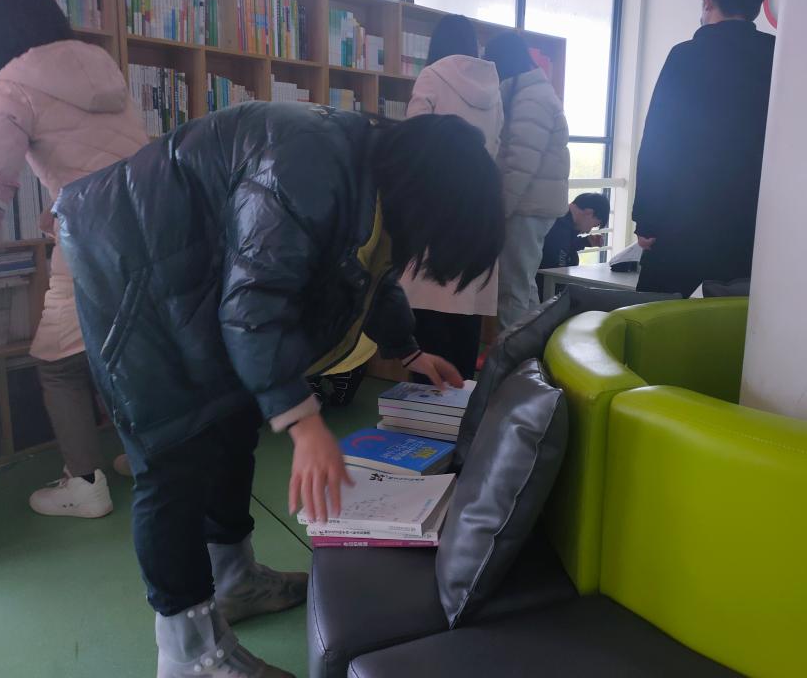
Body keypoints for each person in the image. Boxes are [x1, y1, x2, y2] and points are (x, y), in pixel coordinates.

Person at [54, 103, 504, 678]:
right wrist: (304, 423)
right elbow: (254, 307)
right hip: (128, 262)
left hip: (189, 266)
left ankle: (233, 580)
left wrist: (408, 350)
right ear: (429, 198)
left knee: (233, 423)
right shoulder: (306, 164)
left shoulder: (376, 177)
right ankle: (188, 652)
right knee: (170, 457)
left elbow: (370, 274)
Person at [0, 0, 148, 518]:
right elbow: (119, 162)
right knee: (131, 352)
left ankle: (85, 484)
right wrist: (60, 206)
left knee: (57, 362)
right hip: (149, 233)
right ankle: (150, 458)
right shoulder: (104, 67)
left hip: (92, 248)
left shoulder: (15, 82)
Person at [632, 0, 775, 296]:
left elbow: (660, 140)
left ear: (708, 0)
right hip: (753, 221)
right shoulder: (778, 56)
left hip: (684, 216)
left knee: (657, 312)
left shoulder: (687, 56)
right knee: (732, 316)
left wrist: (647, 217)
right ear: (756, 4)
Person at [400, 14, 503, 380]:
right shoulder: (493, 88)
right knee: (465, 318)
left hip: (436, 210)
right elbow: (496, 146)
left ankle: (424, 407)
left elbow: (414, 142)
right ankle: (462, 404)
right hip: (479, 212)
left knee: (427, 318)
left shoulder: (432, 76)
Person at [483, 32, 570, 332]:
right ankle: (531, 351)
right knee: (523, 285)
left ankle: (511, 357)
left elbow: (521, 162)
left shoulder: (531, 97)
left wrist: (501, 209)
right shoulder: (531, 91)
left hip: (526, 206)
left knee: (512, 290)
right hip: (532, 205)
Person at [538, 192, 611, 283]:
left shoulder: (563, 222)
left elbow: (564, 245)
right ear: (589, 212)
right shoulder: (557, 226)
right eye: (593, 225)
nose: (589, 231)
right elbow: (556, 265)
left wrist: (585, 241)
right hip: (546, 287)